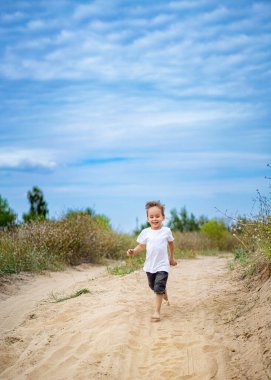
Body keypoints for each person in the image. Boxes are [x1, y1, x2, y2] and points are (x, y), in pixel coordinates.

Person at [127, 201, 177, 321]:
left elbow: (171, 244)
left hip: (163, 266)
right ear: (147, 218)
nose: (155, 219)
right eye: (151, 216)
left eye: (157, 216)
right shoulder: (146, 232)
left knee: (158, 287)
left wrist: (171, 257)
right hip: (150, 266)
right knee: (153, 286)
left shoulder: (166, 231)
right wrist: (133, 251)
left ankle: (156, 312)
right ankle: (163, 290)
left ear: (163, 217)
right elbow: (141, 245)